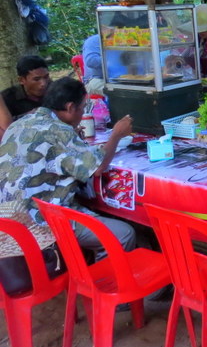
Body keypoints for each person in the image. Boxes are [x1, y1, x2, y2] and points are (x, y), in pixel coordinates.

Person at [0, 77, 137, 256]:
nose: (82, 113)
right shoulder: (58, 131)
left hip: (8, 217)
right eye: (81, 108)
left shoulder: (20, 123)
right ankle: (106, 281)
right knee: (123, 234)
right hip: (39, 222)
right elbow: (97, 168)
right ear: (71, 107)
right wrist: (116, 135)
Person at [1, 55, 51, 119]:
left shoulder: (55, 90)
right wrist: (28, 116)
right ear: (21, 80)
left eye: (46, 77)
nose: (43, 83)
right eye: (36, 79)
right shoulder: (6, 98)